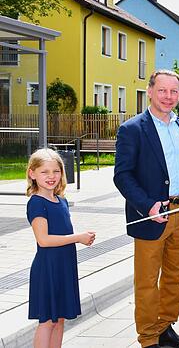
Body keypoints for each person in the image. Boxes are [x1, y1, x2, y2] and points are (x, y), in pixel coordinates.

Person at [114, 69, 179, 348]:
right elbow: (122, 175)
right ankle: (149, 338)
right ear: (150, 91)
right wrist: (147, 206)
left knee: (175, 276)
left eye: (174, 91)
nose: (168, 96)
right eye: (162, 90)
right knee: (147, 282)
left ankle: (166, 328)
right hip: (152, 215)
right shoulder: (132, 129)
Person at [26, 148, 96, 348]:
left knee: (60, 319)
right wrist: (78, 237)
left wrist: (80, 237)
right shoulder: (37, 203)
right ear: (32, 173)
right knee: (48, 321)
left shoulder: (61, 201)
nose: (51, 176)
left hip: (64, 266)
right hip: (48, 268)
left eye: (55, 171)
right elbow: (44, 240)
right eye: (44, 172)